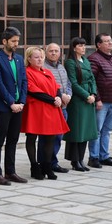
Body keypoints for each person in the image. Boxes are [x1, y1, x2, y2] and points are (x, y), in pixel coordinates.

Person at [22, 46, 69, 180]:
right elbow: (33, 90)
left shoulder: (47, 71)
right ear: (29, 59)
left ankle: (47, 166)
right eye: (36, 57)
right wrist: (53, 99)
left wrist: (58, 97)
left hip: (51, 108)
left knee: (50, 138)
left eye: (41, 57)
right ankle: (34, 166)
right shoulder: (28, 72)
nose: (40, 59)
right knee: (31, 138)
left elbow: (56, 87)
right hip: (35, 109)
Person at [0, 27, 28, 185]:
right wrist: (11, 103)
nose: (16, 44)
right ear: (4, 41)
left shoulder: (19, 59)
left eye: (17, 41)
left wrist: (22, 102)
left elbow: (24, 81)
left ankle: (10, 172)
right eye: (13, 41)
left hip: (18, 105)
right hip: (4, 107)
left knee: (13, 139)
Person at [87, 33, 112, 168]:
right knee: (96, 131)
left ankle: (104, 155)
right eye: (106, 41)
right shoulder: (94, 59)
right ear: (99, 44)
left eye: (111, 41)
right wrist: (97, 99)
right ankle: (94, 157)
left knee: (107, 130)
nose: (110, 43)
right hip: (101, 102)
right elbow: (92, 81)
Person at [64, 37, 99, 172]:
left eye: (84, 45)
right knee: (77, 131)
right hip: (78, 100)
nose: (83, 48)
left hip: (89, 98)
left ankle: (81, 159)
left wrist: (94, 94)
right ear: (74, 48)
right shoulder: (70, 63)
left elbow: (92, 79)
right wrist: (86, 96)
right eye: (80, 46)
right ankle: (75, 160)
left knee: (86, 131)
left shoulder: (86, 61)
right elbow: (73, 83)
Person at [41, 43, 71, 173]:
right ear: (46, 52)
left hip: (63, 107)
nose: (53, 53)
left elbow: (67, 83)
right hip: (51, 107)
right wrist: (60, 96)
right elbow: (46, 87)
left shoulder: (61, 66)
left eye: (56, 51)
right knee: (47, 139)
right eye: (51, 51)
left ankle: (53, 162)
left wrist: (69, 94)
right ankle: (46, 163)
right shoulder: (43, 67)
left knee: (58, 137)